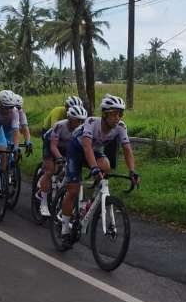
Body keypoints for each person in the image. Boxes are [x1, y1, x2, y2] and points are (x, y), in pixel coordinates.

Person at [58, 94, 140, 239]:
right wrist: (94, 168)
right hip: (76, 150)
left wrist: (132, 171)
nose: (118, 117)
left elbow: (127, 150)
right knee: (73, 190)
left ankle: (90, 202)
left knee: (106, 166)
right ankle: (64, 228)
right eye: (114, 114)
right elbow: (87, 146)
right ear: (104, 114)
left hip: (94, 151)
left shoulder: (120, 127)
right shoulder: (91, 122)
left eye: (120, 113)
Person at [37, 103, 87, 216]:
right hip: (51, 143)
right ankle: (43, 203)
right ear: (70, 119)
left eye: (82, 121)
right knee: (50, 170)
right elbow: (53, 146)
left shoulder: (83, 129)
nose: (80, 124)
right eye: (77, 121)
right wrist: (59, 158)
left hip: (66, 146)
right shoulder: (60, 126)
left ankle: (60, 190)